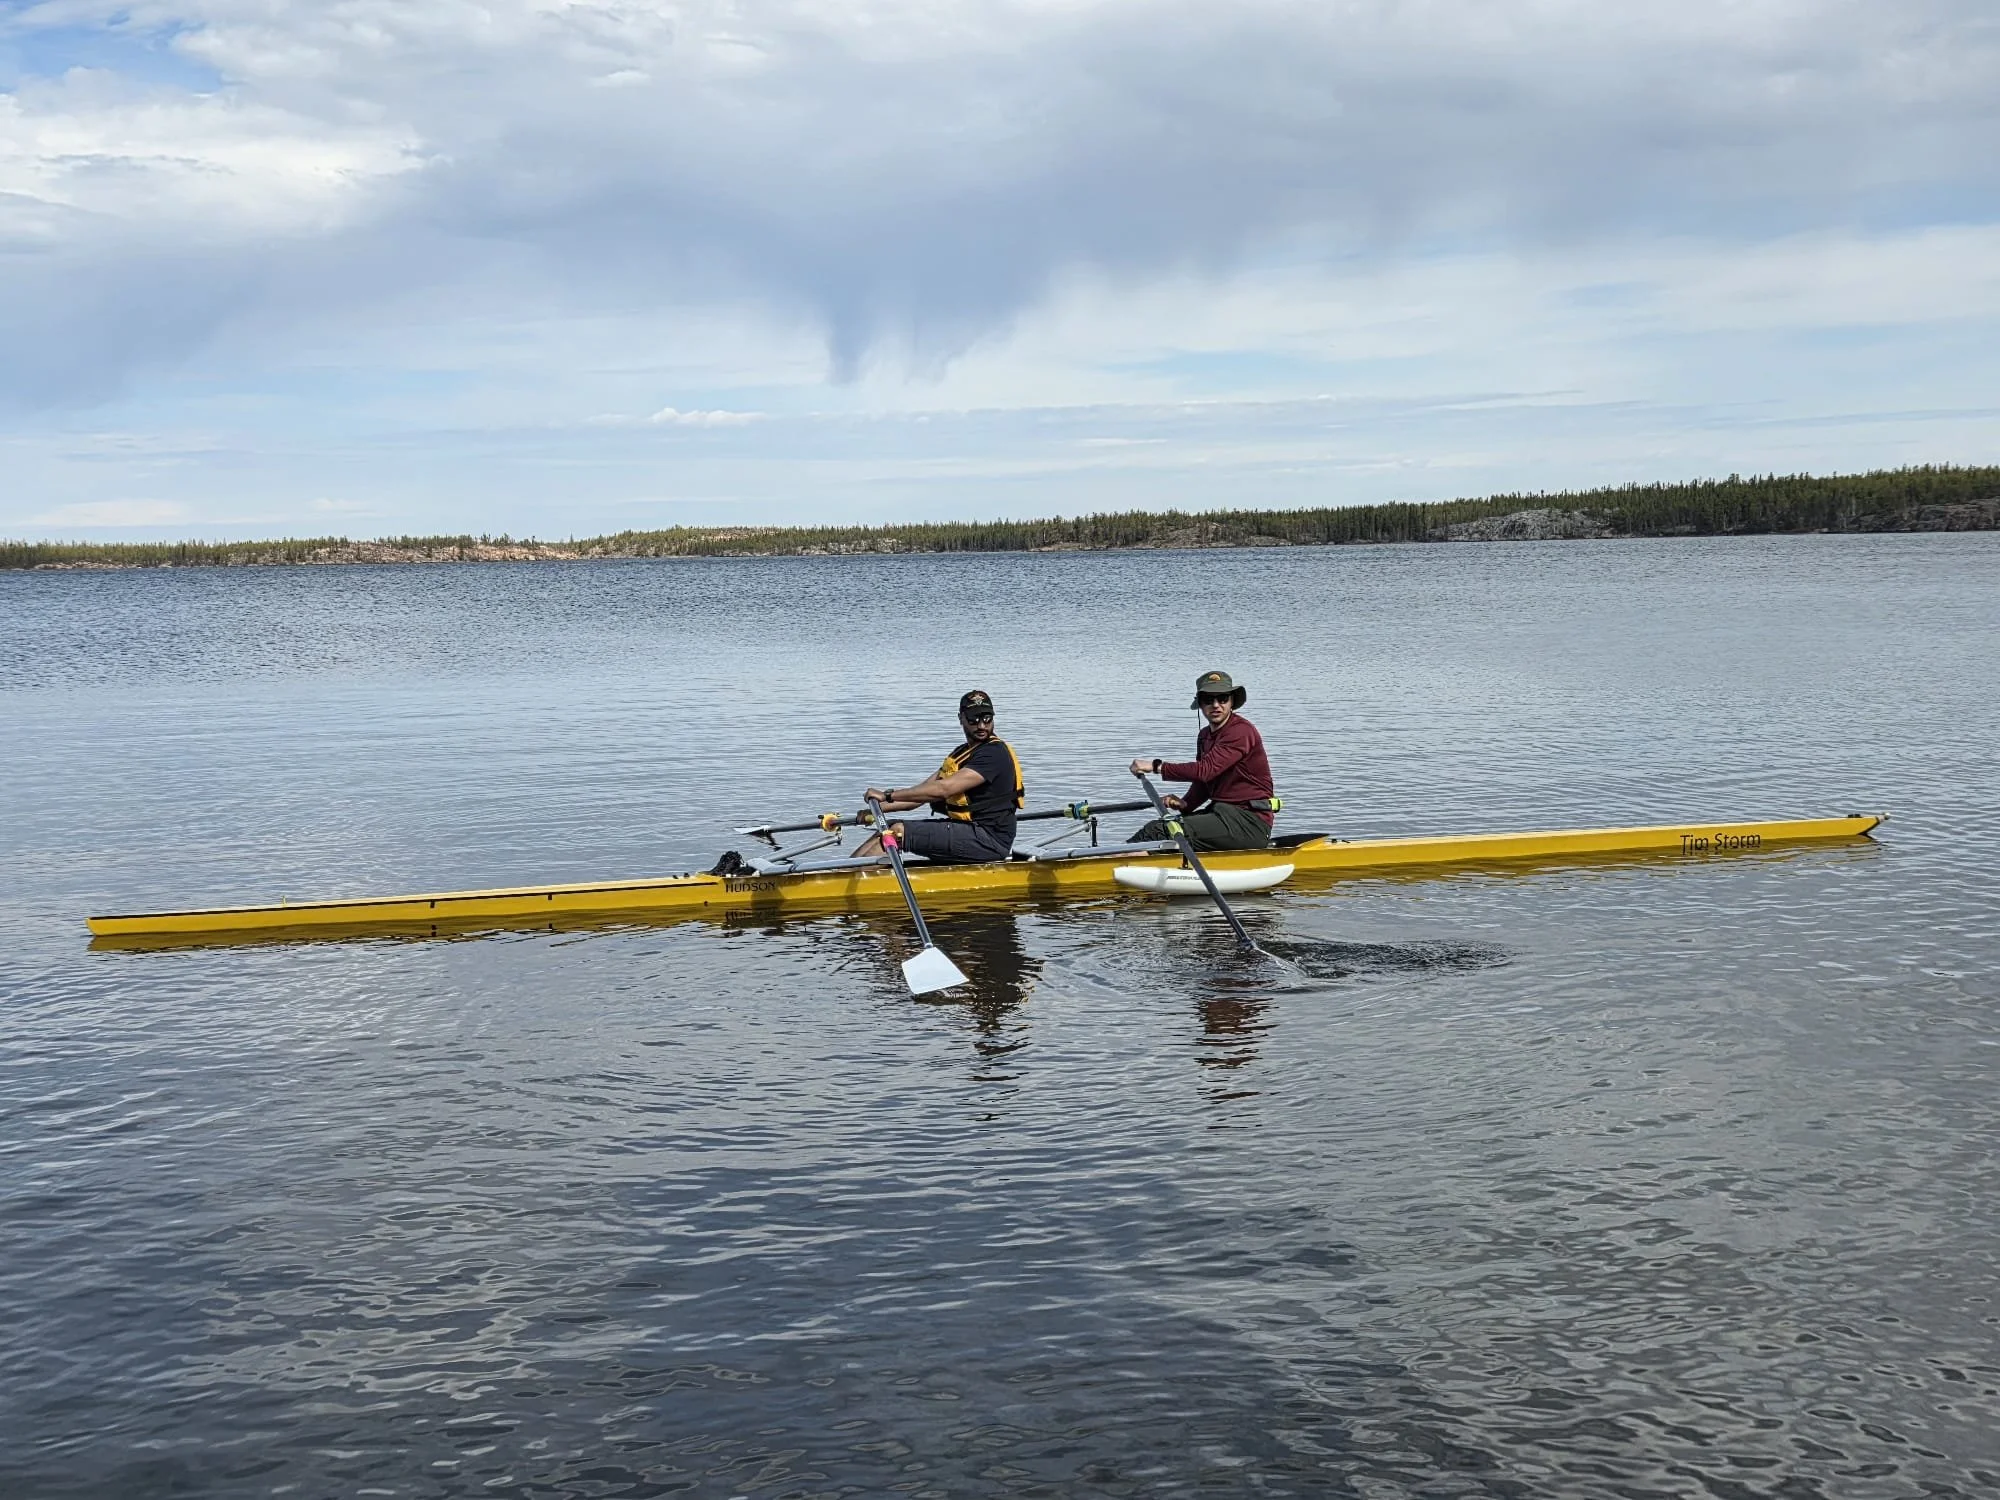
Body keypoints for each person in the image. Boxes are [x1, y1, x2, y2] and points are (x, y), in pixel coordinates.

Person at [855, 690, 1025, 864]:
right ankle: (836, 876)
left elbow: (944, 789)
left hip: (989, 839)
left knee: (897, 833)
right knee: (887, 829)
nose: (981, 725)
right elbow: (920, 796)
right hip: (971, 831)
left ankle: (840, 884)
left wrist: (887, 795)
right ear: (961, 718)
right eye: (974, 719)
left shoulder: (994, 754)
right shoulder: (962, 754)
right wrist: (877, 809)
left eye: (987, 718)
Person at [1127, 669, 1278, 851]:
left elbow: (1206, 770)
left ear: (1231, 702)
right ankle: (1113, 861)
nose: (1216, 705)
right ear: (1200, 703)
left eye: (1222, 699)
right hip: (1221, 813)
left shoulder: (1240, 731)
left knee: (1158, 830)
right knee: (1165, 827)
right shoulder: (1205, 736)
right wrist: (1186, 804)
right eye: (1208, 700)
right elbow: (1205, 781)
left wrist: (1156, 766)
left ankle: (1111, 867)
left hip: (1249, 822)